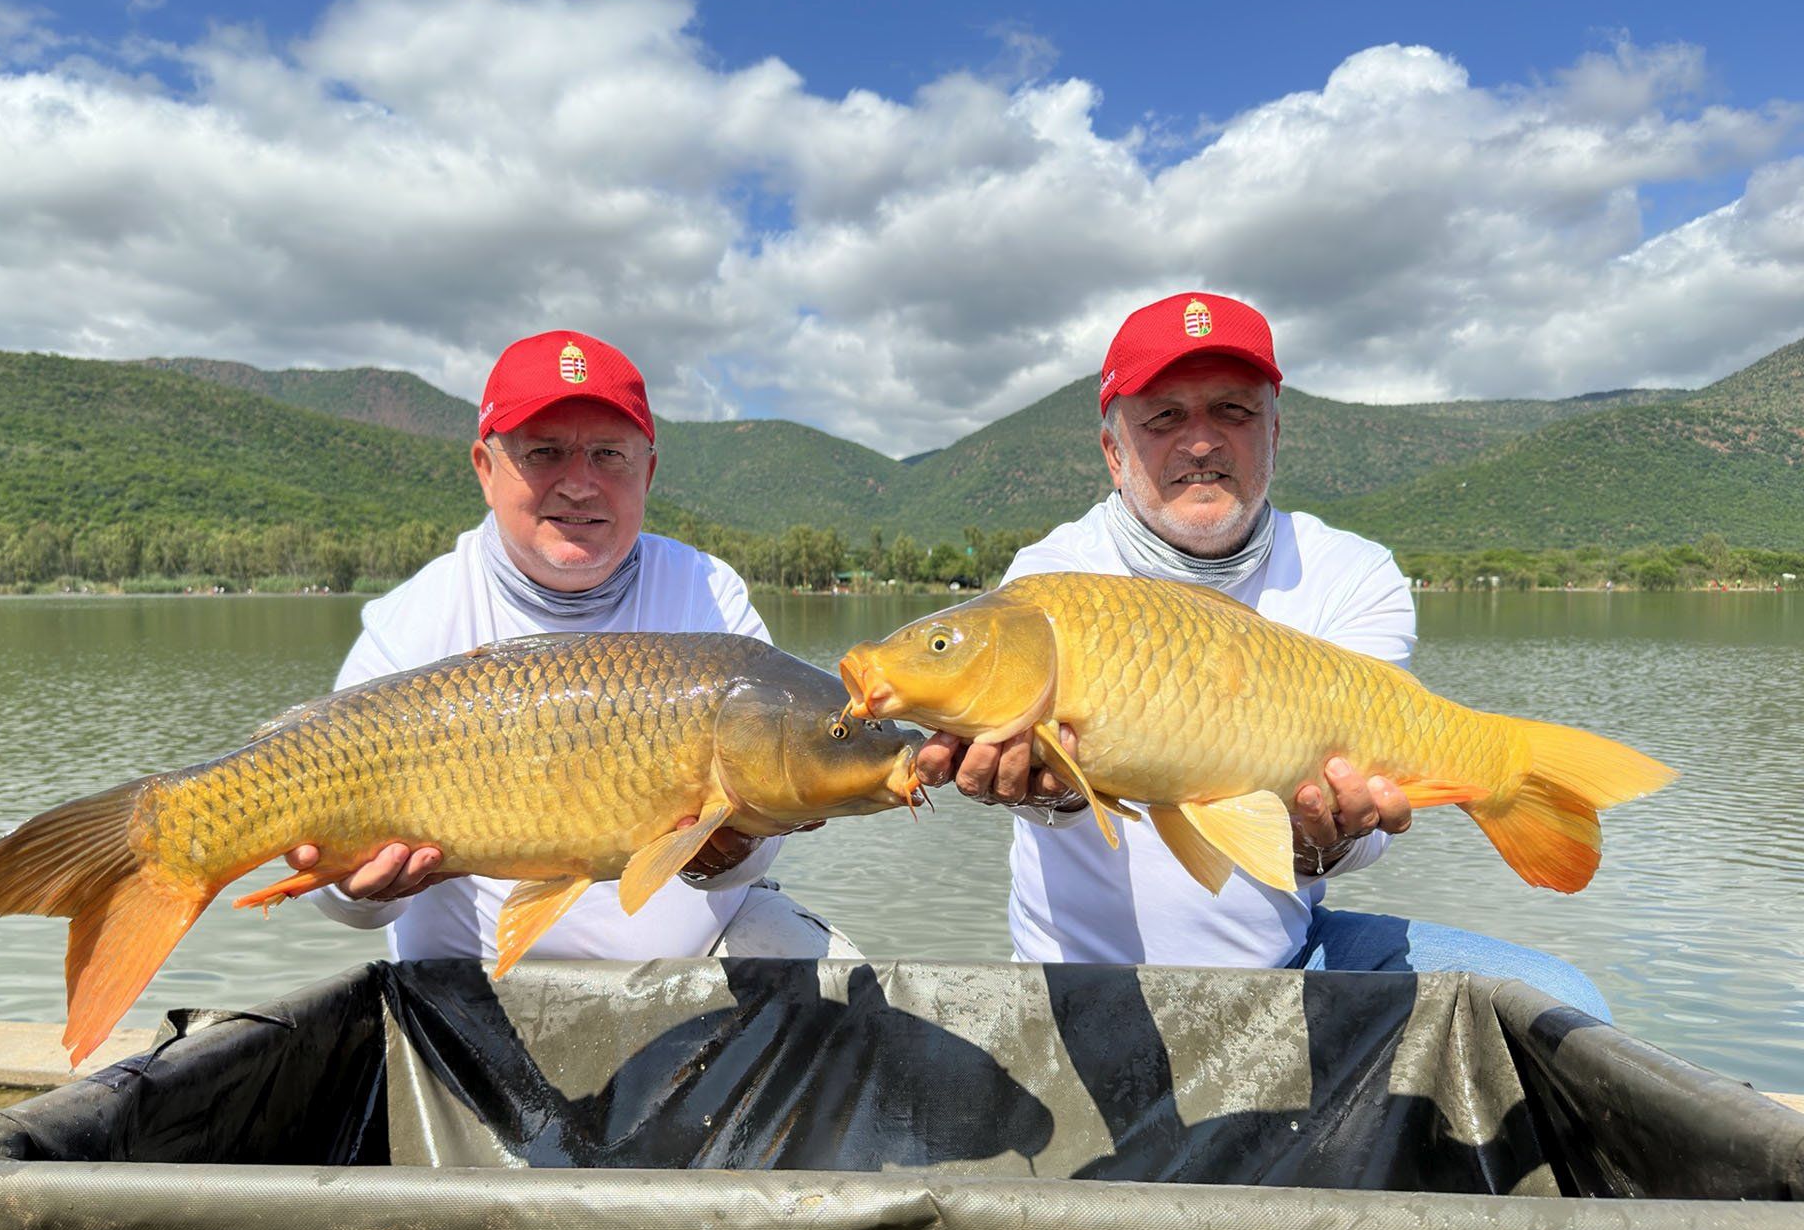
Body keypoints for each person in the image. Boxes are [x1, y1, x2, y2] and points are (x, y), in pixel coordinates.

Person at [914, 292, 1611, 1018]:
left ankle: (1505, 771)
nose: (1202, 442)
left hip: (1293, 958)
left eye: (1234, 413)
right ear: (1114, 452)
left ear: (1275, 434)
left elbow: (1366, 819)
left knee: (1563, 1004)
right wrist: (1052, 793)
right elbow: (1033, 779)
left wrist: (1325, 846)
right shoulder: (1052, 578)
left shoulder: (1352, 572)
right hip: (1078, 981)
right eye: (1164, 417)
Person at [285, 330, 855, 962]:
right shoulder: (412, 622)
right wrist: (359, 892)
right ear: (485, 468)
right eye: (545, 452)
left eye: (609, 454)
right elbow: (339, 901)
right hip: (470, 988)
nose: (579, 484)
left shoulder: (707, 593)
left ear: (649, 471)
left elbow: (758, 825)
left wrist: (736, 849)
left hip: (693, 974)